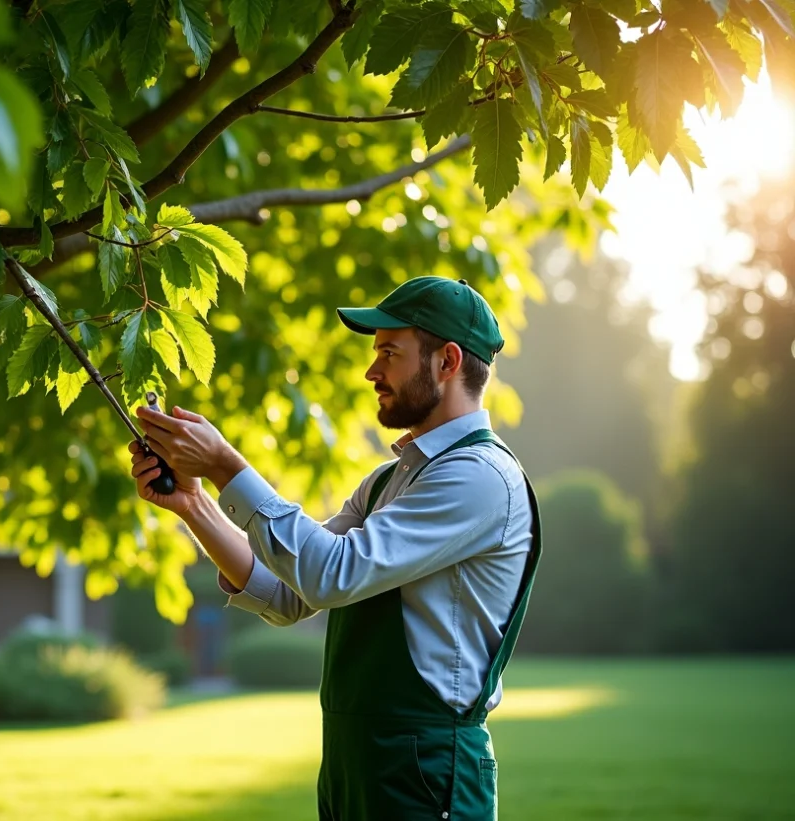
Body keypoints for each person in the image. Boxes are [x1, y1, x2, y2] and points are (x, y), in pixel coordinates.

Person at [128, 275, 541, 821]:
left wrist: (229, 466)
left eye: (389, 353)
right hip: (357, 764)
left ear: (447, 361)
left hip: (428, 770)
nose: (372, 372)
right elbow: (288, 594)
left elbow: (334, 574)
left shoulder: (479, 477)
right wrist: (194, 505)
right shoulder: (385, 482)